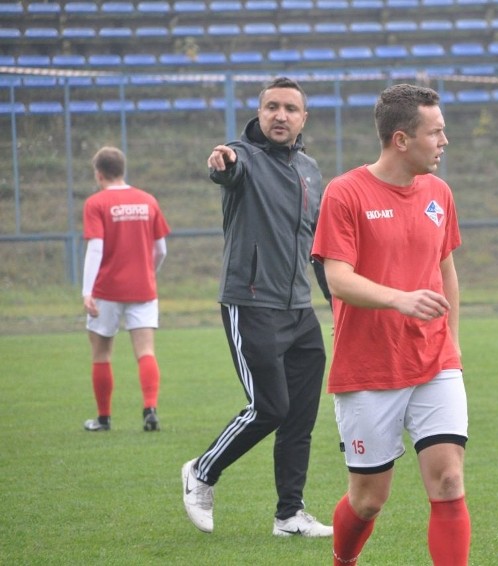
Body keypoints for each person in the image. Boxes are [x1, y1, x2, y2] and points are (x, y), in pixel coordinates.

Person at [311, 84, 470, 565]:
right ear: (401, 140)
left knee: (448, 480)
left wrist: (454, 350)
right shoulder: (345, 193)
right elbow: (337, 278)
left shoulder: (439, 192)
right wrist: (399, 299)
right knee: (368, 499)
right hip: (368, 366)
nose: (445, 141)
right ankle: (344, 560)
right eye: (436, 132)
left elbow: (446, 271)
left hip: (434, 359)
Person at [181, 76, 333, 538]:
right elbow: (225, 169)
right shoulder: (240, 155)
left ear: (303, 118)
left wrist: (338, 305)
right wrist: (221, 163)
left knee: (300, 416)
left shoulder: (310, 170)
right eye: (272, 107)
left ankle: (289, 514)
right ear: (259, 112)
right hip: (250, 303)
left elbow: (318, 247)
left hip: (299, 309)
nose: (280, 115)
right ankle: (202, 472)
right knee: (269, 407)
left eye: (290, 108)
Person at [81, 146, 170, 432]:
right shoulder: (148, 200)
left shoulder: (96, 203)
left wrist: (87, 291)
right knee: (145, 351)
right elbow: (161, 249)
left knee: (101, 353)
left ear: (99, 174)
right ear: (122, 170)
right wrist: (148, 273)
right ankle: (151, 411)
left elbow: (95, 248)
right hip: (143, 288)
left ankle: (104, 418)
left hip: (106, 289)